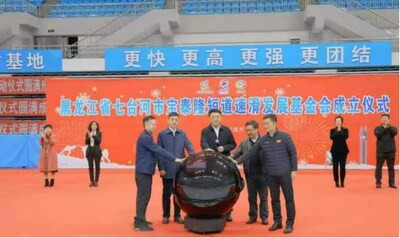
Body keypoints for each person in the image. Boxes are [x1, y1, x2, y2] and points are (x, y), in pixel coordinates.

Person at [234, 114, 297, 234]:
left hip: (284, 174)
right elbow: (250, 153)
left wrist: (294, 170)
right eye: (264, 124)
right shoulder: (263, 140)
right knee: (274, 199)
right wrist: (236, 161)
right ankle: (277, 221)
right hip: (270, 175)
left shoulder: (285, 137)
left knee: (289, 199)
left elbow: (293, 153)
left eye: (267, 123)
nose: (265, 126)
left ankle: (289, 223)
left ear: (274, 123)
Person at [134, 115, 184, 231]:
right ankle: (139, 223)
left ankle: (140, 219)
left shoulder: (147, 136)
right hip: (143, 172)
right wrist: (174, 158)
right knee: (143, 197)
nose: (155, 126)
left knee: (144, 196)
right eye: (153, 124)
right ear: (146, 125)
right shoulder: (145, 138)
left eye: (155, 124)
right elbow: (159, 150)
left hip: (145, 171)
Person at [157, 112, 195, 224]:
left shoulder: (182, 134)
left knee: (178, 193)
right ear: (168, 120)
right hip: (167, 169)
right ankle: (166, 215)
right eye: (172, 119)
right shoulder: (162, 134)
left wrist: (193, 155)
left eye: (176, 120)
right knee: (167, 193)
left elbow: (189, 146)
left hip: (180, 170)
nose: (174, 121)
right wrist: (161, 168)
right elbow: (159, 153)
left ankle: (177, 215)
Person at [200, 108, 236, 221]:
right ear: (209, 118)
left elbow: (233, 144)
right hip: (210, 163)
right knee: (212, 186)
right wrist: (208, 149)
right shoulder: (205, 131)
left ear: (221, 117)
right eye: (213, 117)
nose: (215, 119)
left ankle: (228, 211)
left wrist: (224, 148)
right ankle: (214, 210)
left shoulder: (227, 130)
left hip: (224, 163)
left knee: (226, 186)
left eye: (217, 116)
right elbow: (203, 142)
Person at [231, 120, 268, 225]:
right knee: (251, 197)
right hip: (250, 174)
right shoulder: (245, 142)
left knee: (263, 197)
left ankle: (264, 217)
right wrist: (230, 159)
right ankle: (253, 216)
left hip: (263, 174)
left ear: (257, 129)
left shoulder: (265, 141)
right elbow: (236, 154)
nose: (249, 133)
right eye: (247, 130)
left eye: (250, 130)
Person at [374, 114, 398, 189]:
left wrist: (388, 126)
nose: (384, 120)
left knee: (391, 167)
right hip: (381, 151)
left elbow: (394, 133)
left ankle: (391, 183)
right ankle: (378, 182)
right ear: (380, 120)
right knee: (379, 167)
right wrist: (384, 128)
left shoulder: (392, 128)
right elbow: (378, 134)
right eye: (383, 118)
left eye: (386, 118)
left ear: (389, 120)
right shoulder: (377, 128)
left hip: (391, 151)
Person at [329, 115, 349, 188]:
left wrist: (340, 130)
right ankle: (336, 181)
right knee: (335, 167)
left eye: (339, 121)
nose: (338, 122)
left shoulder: (345, 130)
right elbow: (332, 137)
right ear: (335, 122)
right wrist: (337, 131)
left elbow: (345, 137)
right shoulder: (332, 130)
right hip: (334, 151)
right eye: (337, 121)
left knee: (343, 167)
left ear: (342, 122)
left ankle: (342, 181)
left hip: (343, 151)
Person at [85, 121, 102, 188]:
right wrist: (89, 137)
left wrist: (94, 135)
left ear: (97, 126)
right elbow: (86, 142)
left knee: (97, 167)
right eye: (92, 125)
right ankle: (92, 181)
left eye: (95, 125)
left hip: (97, 152)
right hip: (90, 152)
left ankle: (96, 181)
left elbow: (99, 141)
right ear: (90, 126)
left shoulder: (99, 133)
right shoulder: (88, 133)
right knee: (91, 167)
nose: (94, 126)